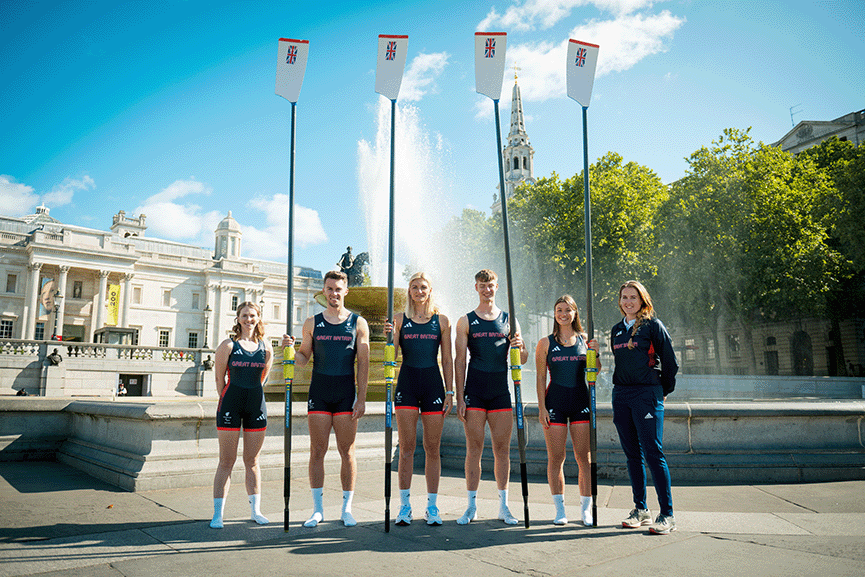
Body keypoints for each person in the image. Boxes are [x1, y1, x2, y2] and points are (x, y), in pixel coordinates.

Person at [283, 270, 370, 527]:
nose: (334, 293)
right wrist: (290, 349)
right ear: (324, 291)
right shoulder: (312, 323)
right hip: (319, 393)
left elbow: (363, 364)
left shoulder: (358, 323)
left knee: (347, 451)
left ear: (346, 291)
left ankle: (346, 509)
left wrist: (362, 398)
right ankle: (318, 509)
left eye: (338, 289)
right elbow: (302, 358)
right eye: (329, 289)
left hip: (345, 394)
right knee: (317, 450)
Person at [454, 269, 528, 525]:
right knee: (473, 449)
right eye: (482, 285)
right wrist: (460, 397)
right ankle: (471, 506)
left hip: (500, 393)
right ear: (476, 287)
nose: (487, 289)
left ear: (497, 287)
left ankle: (504, 507)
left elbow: (523, 358)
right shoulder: (466, 321)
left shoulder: (510, 320)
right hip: (474, 392)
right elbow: (460, 361)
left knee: (502, 450)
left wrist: (521, 347)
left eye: (491, 285)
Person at [384, 272, 454, 526]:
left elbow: (447, 359)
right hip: (408, 385)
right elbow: (390, 355)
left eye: (423, 287)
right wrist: (388, 336)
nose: (419, 291)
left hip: (433, 387)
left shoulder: (441, 321)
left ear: (430, 290)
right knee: (406, 448)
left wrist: (450, 391)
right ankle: (404, 507)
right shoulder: (400, 320)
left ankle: (432, 507)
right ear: (409, 291)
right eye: (414, 287)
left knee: (433, 449)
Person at [610, 280, 679, 535]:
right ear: (620, 301)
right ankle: (641, 509)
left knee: (653, 454)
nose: (628, 301)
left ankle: (668, 515)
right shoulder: (617, 330)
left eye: (633, 297)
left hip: (647, 394)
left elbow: (671, 363)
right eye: (624, 297)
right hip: (622, 395)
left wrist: (662, 392)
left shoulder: (653, 327)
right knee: (632, 455)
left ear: (642, 301)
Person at [535, 295, 598, 526]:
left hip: (581, 402)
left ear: (575, 313)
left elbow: (595, 370)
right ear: (554, 314)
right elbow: (541, 377)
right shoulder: (545, 343)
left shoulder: (584, 340)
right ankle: (560, 510)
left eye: (568, 310)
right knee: (556, 458)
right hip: (555, 404)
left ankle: (586, 510)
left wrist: (596, 352)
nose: (563, 314)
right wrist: (541, 407)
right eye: (559, 310)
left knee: (584, 458)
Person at [210, 301, 274, 529]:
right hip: (230, 405)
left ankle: (256, 511)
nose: (249, 319)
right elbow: (219, 380)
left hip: (256, 407)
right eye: (245, 315)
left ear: (258, 318)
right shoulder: (228, 346)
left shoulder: (266, 347)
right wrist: (227, 401)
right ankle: (218, 514)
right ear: (238, 318)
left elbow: (263, 379)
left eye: (253, 315)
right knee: (226, 461)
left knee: (253, 461)